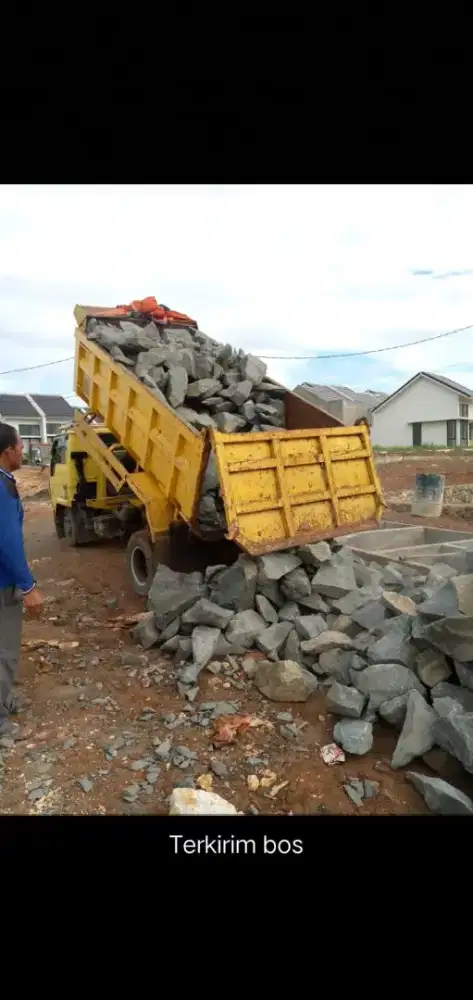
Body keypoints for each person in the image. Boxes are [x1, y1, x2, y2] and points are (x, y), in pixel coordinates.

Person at [0, 422, 44, 735]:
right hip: (3, 584)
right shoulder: (2, 488)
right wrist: (28, 586)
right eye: (19, 446)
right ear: (7, 452)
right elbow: (7, 541)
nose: (22, 451)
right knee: (5, 650)